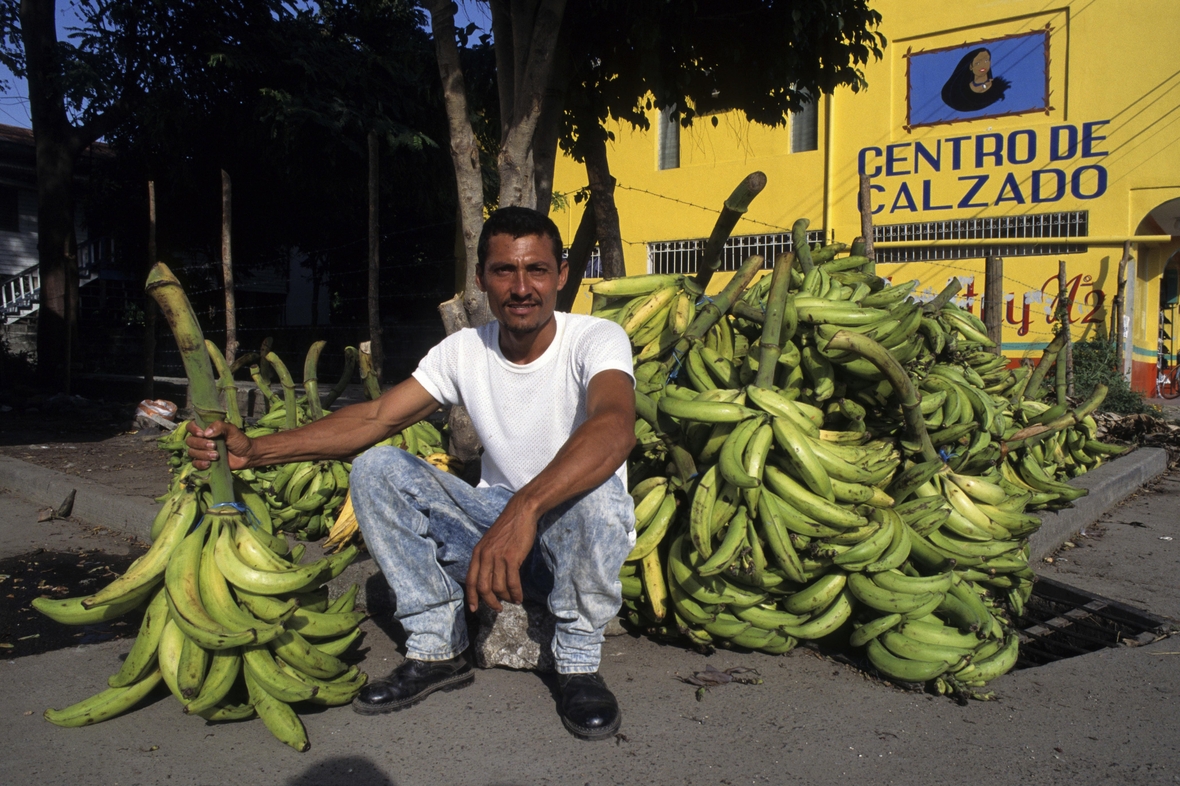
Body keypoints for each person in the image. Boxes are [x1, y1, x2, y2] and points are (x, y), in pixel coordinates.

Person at [186, 206, 637, 741]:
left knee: (602, 494)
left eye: (536, 270)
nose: (521, 287)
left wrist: (524, 507)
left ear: (561, 276)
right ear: (480, 281)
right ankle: (438, 648)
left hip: (565, 530)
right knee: (377, 468)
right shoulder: (464, 351)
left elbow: (613, 427)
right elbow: (377, 417)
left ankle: (579, 663)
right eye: (504, 271)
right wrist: (254, 451)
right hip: (488, 525)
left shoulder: (595, 339)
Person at [940, 47, 1011, 113]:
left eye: (986, 60)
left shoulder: (997, 87)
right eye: (978, 62)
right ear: (971, 66)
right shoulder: (960, 92)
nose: (983, 65)